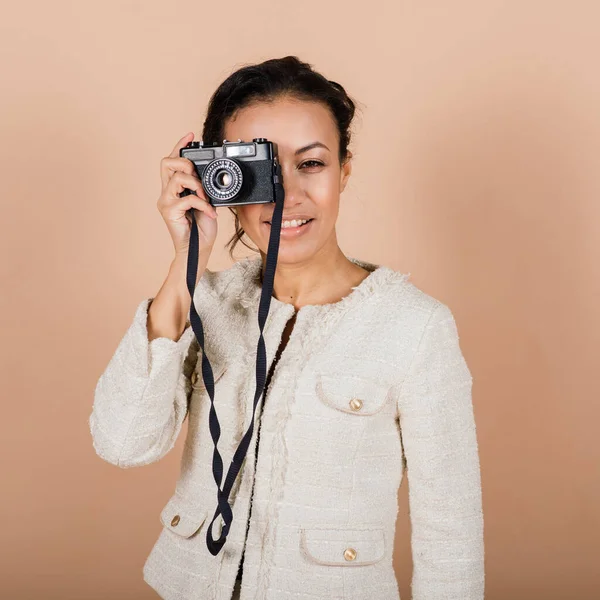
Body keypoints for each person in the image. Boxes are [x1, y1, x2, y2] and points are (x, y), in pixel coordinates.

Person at [89, 55, 484, 600]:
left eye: (312, 164)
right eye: (260, 169)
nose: (287, 194)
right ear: (215, 178)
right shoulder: (205, 301)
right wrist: (186, 263)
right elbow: (122, 442)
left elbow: (451, 534)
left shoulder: (415, 327)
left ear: (345, 169)